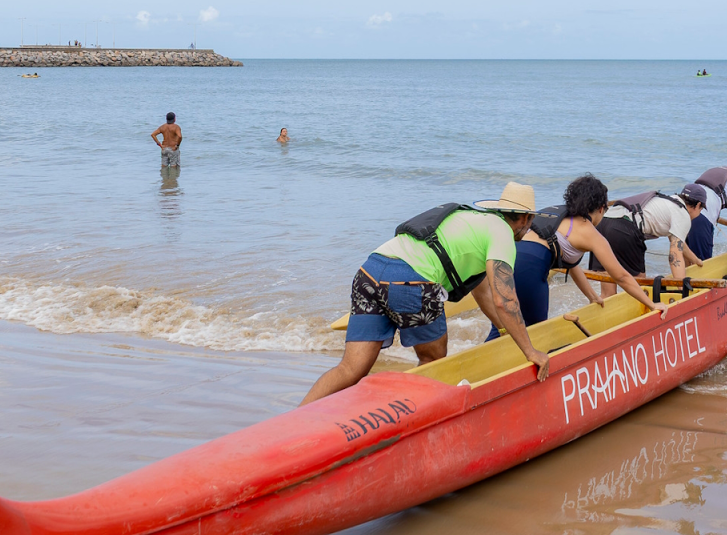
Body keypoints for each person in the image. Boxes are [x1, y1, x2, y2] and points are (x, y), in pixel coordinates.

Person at [301, 183, 550, 405]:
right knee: (435, 362)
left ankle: (293, 424)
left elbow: (482, 290)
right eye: (528, 224)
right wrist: (530, 351)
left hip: (370, 270)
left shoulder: (471, 220)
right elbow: (505, 299)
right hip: (411, 280)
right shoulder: (503, 234)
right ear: (526, 219)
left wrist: (504, 331)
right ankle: (402, 419)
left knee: (351, 368)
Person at [489, 174, 667, 340]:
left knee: (504, 324)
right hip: (531, 268)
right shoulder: (589, 232)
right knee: (536, 332)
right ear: (600, 208)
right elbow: (621, 276)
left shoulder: (558, 214)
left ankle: (479, 367)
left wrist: (592, 296)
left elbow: (570, 264)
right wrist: (651, 304)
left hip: (507, 258)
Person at [591, 183, 705, 298]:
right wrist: (682, 290)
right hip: (625, 228)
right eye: (701, 209)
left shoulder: (669, 201)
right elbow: (675, 255)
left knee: (607, 292)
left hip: (604, 222)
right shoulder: (683, 214)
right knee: (640, 286)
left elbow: (679, 243)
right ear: (698, 205)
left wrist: (696, 260)